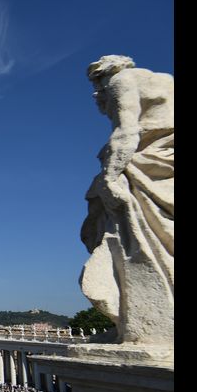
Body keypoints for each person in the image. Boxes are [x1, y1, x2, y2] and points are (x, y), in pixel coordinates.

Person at [81, 55, 174, 346]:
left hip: (142, 163)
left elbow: (127, 130)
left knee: (133, 240)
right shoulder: (166, 82)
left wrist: (109, 176)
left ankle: (142, 325)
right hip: (163, 162)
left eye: (97, 88)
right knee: (161, 236)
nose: (97, 95)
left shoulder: (121, 80)